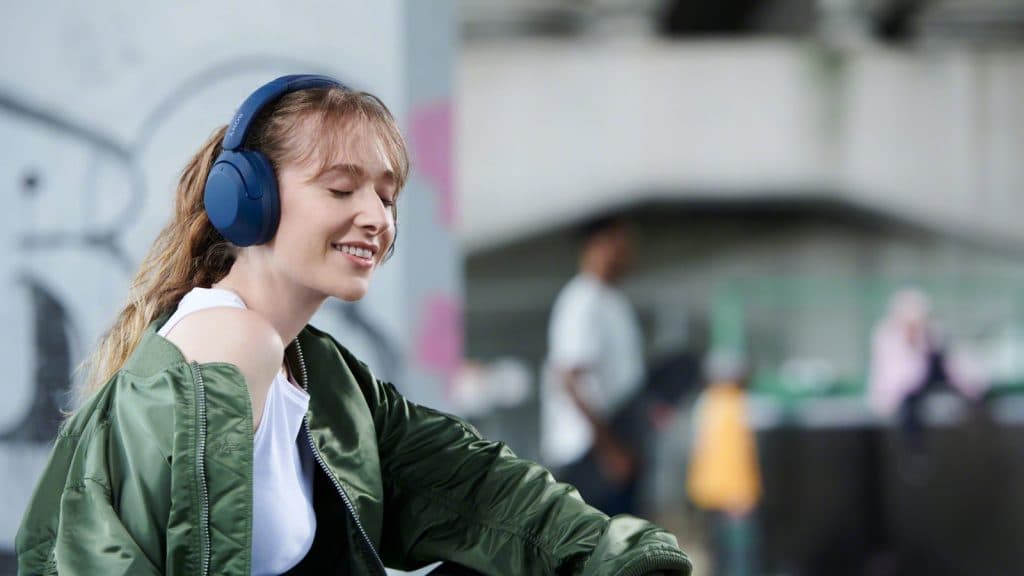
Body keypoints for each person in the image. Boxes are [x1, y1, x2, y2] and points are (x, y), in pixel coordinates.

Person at [15, 76, 692, 576]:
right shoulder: (230, 343)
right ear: (247, 197)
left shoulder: (320, 371)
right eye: (342, 189)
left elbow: (472, 489)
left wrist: (625, 559)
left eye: (387, 194)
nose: (376, 216)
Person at [542, 215, 644, 517]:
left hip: (611, 445)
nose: (627, 253)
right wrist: (610, 450)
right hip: (587, 454)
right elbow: (571, 378)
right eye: (619, 243)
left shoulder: (611, 300)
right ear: (598, 246)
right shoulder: (581, 300)